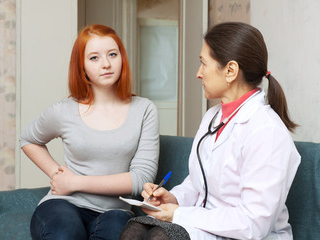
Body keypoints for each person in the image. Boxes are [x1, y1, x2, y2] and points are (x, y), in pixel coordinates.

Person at [119, 22, 301, 240]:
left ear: (230, 71)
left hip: (246, 235)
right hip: (207, 226)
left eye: (203, 64)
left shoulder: (267, 132)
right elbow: (198, 183)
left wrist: (179, 214)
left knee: (161, 237)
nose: (198, 73)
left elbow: (252, 224)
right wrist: (173, 199)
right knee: (135, 230)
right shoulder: (213, 117)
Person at [20, 24, 159, 240]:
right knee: (65, 233)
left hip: (116, 212)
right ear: (81, 66)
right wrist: (57, 174)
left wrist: (74, 182)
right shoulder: (64, 110)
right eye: (94, 58)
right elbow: (28, 139)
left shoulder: (144, 109)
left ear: (122, 58)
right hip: (62, 205)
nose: (106, 64)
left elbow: (141, 179)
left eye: (112, 54)